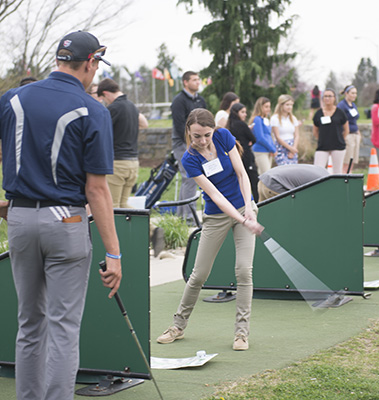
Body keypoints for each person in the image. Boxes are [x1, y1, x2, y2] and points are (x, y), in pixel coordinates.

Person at [0, 30, 122, 400]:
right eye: (96, 64)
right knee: (63, 328)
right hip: (65, 223)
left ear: (58, 59)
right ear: (89, 63)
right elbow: (97, 189)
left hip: (19, 220)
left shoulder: (12, 98)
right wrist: (114, 253)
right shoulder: (94, 109)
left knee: (29, 324)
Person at [156, 109, 263, 351]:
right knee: (199, 274)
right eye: (196, 136)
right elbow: (214, 194)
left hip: (243, 208)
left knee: (244, 271)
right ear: (188, 133)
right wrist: (241, 217)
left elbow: (241, 174)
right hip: (217, 216)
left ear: (213, 129)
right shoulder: (189, 160)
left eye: (206, 134)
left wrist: (248, 207)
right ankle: (177, 326)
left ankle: (241, 334)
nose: (202, 141)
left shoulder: (224, 137)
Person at [97, 78, 149, 208]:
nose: (105, 102)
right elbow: (144, 124)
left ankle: (151, 229)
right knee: (123, 205)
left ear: (106, 93)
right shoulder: (132, 106)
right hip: (133, 163)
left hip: (118, 164)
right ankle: (151, 228)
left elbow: (98, 132)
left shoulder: (113, 108)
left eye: (104, 99)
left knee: (112, 207)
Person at [171, 70, 207, 224]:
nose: (198, 82)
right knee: (190, 177)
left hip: (198, 142)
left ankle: (182, 216)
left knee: (189, 179)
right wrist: (191, 145)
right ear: (185, 82)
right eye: (194, 80)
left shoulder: (200, 100)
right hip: (182, 143)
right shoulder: (178, 101)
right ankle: (188, 218)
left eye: (199, 80)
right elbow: (180, 126)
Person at [227, 102, 259, 201]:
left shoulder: (229, 125)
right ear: (236, 113)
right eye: (243, 112)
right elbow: (253, 138)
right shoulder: (241, 124)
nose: (245, 114)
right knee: (254, 183)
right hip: (246, 157)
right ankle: (258, 204)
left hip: (236, 157)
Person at [313, 88, 349, 174]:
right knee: (317, 171)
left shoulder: (340, 112)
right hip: (322, 146)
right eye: (325, 96)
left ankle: (337, 187)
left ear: (334, 98)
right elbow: (315, 131)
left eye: (330, 96)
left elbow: (346, 130)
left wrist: (340, 139)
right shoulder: (318, 113)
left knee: (337, 172)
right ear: (322, 98)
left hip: (338, 146)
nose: (327, 98)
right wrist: (323, 140)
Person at [258, 164, 330, 201]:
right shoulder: (325, 183)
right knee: (289, 214)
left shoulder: (323, 172)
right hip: (275, 184)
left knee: (261, 217)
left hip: (263, 180)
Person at [271, 94, 300, 165]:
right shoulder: (275, 118)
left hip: (292, 146)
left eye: (291, 105)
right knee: (284, 170)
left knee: (294, 170)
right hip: (281, 147)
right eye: (287, 105)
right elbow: (277, 137)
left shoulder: (293, 118)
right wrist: (290, 148)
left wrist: (293, 149)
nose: (290, 107)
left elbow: (297, 135)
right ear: (281, 105)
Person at [250, 96, 276, 175]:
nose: (268, 109)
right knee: (267, 175)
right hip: (260, 150)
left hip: (268, 150)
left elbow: (269, 136)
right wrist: (272, 149)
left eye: (269, 107)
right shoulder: (257, 119)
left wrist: (272, 148)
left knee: (264, 176)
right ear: (260, 107)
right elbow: (260, 137)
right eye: (266, 107)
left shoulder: (266, 119)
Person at [338, 85, 360, 172]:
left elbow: (354, 119)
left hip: (355, 134)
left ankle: (350, 174)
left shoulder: (353, 105)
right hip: (348, 135)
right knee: (347, 160)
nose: (354, 95)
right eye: (353, 93)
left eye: (356, 93)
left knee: (353, 159)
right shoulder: (342, 105)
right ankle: (344, 176)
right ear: (346, 93)